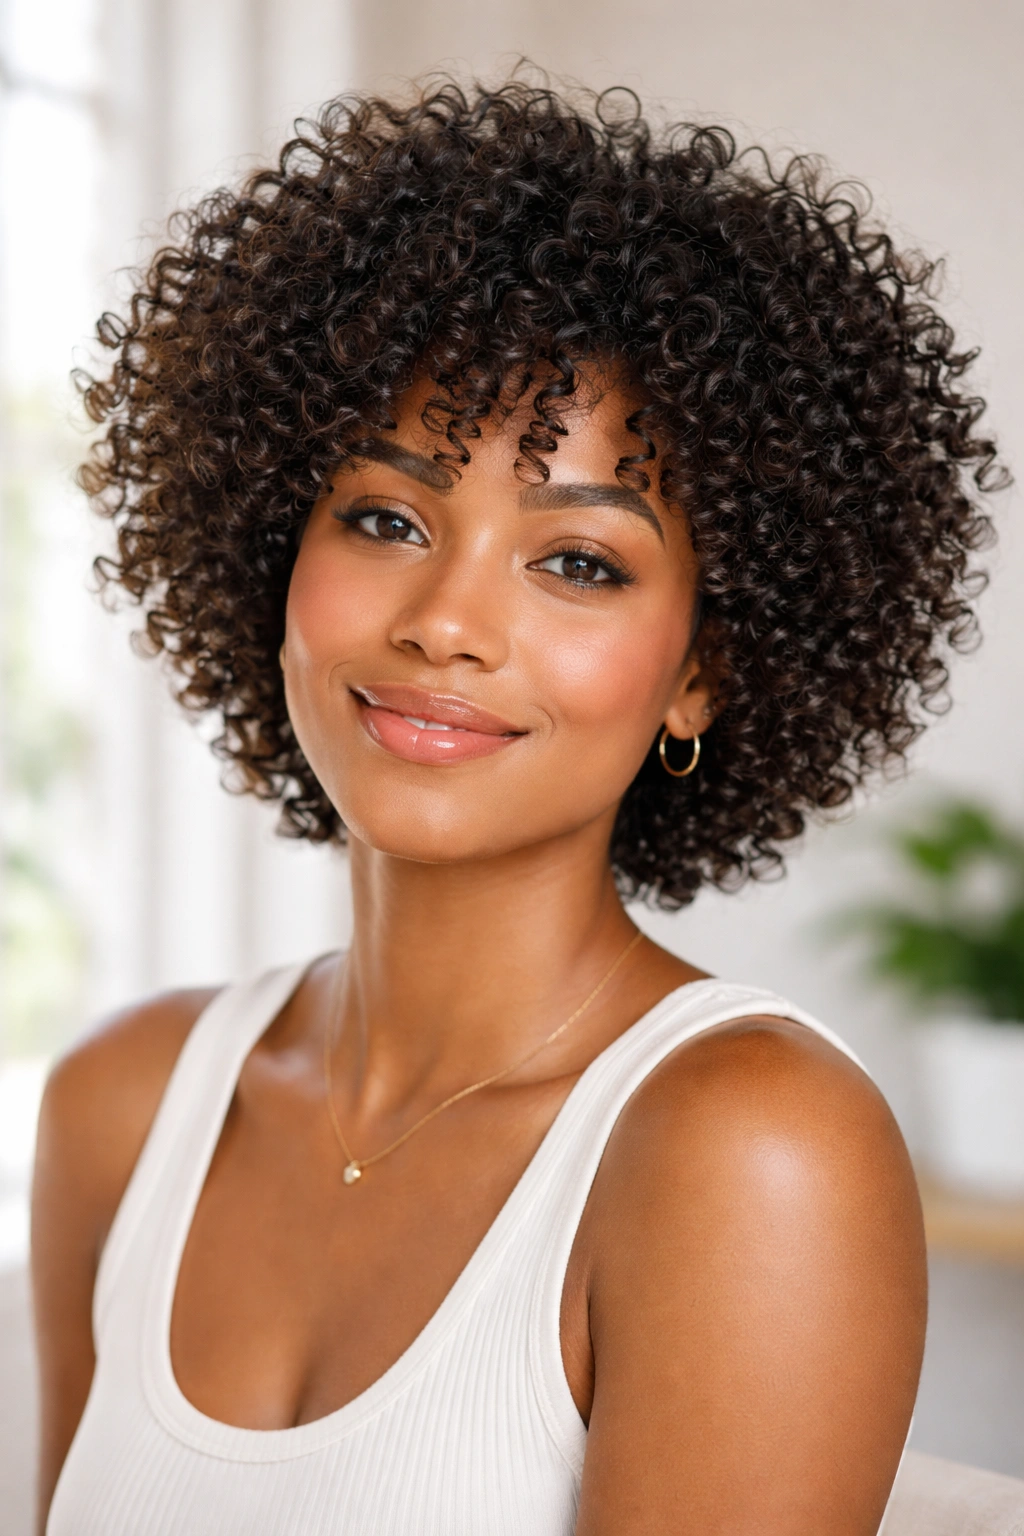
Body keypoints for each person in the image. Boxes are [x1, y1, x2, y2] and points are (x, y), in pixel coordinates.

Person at [31, 77, 1001, 1535]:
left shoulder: (746, 1151)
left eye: (581, 564)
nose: (447, 622)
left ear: (702, 672)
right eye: (387, 518)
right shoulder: (124, 1104)